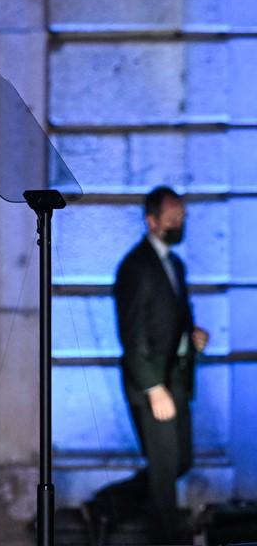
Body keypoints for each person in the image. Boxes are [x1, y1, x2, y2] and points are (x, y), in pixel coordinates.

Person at [86, 186, 209, 544]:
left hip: (177, 379)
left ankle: (107, 505)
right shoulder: (136, 267)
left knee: (179, 461)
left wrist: (192, 336)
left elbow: (173, 318)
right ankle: (167, 537)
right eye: (173, 218)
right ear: (152, 221)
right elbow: (133, 332)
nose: (179, 222)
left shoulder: (174, 264)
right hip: (153, 385)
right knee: (165, 469)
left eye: (182, 216)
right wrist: (154, 388)